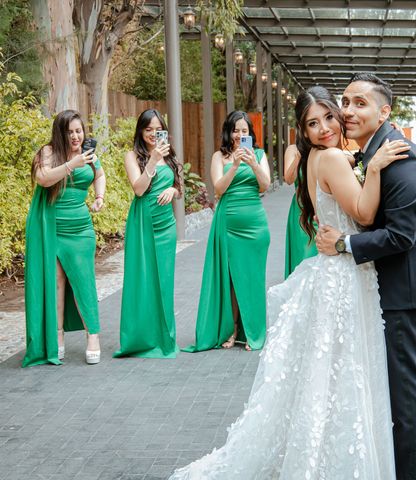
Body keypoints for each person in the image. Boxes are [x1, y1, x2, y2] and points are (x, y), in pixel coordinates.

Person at [170, 86, 408, 479]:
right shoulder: (331, 157)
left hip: (334, 272)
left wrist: (360, 160)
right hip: (345, 278)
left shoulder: (319, 157)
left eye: (329, 117)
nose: (325, 128)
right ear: (304, 130)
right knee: (344, 372)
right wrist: (376, 167)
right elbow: (365, 214)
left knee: (325, 375)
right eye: (313, 124)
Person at [316, 73, 416, 480]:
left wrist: (344, 243)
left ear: (384, 111)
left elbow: (400, 235)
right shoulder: (373, 153)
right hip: (396, 285)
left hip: (407, 289)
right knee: (396, 390)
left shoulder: (403, 160)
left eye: (360, 103)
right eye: (345, 101)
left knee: (407, 395)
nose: (348, 110)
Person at [23, 110, 105, 367]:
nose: (75, 136)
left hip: (81, 228)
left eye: (79, 131)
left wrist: (99, 197)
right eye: (69, 132)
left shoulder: (89, 155)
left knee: (83, 280)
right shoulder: (47, 153)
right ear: (61, 133)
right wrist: (72, 164)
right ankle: (56, 336)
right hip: (52, 226)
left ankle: (93, 335)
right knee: (56, 281)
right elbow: (43, 179)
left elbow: (99, 175)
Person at [184, 111, 271, 352]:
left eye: (244, 131)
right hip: (228, 224)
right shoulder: (219, 157)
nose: (240, 135)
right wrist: (234, 165)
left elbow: (265, 185)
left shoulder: (260, 154)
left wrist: (252, 163)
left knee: (253, 277)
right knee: (232, 279)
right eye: (236, 130)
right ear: (228, 132)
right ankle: (231, 329)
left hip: (255, 225)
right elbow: (219, 189)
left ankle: (254, 332)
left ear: (250, 134)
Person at [114, 109, 182, 359]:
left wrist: (173, 192)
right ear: (140, 132)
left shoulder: (170, 156)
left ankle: (165, 337)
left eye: (158, 129)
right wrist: (152, 160)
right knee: (141, 280)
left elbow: (178, 186)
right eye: (148, 129)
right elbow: (139, 190)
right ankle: (140, 338)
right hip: (143, 221)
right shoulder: (132, 156)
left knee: (164, 281)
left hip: (166, 225)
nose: (154, 134)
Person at [283, 143, 317, 278]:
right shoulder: (293, 149)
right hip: (301, 209)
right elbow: (289, 179)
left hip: (323, 207)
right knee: (303, 256)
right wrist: (298, 157)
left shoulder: (325, 145)